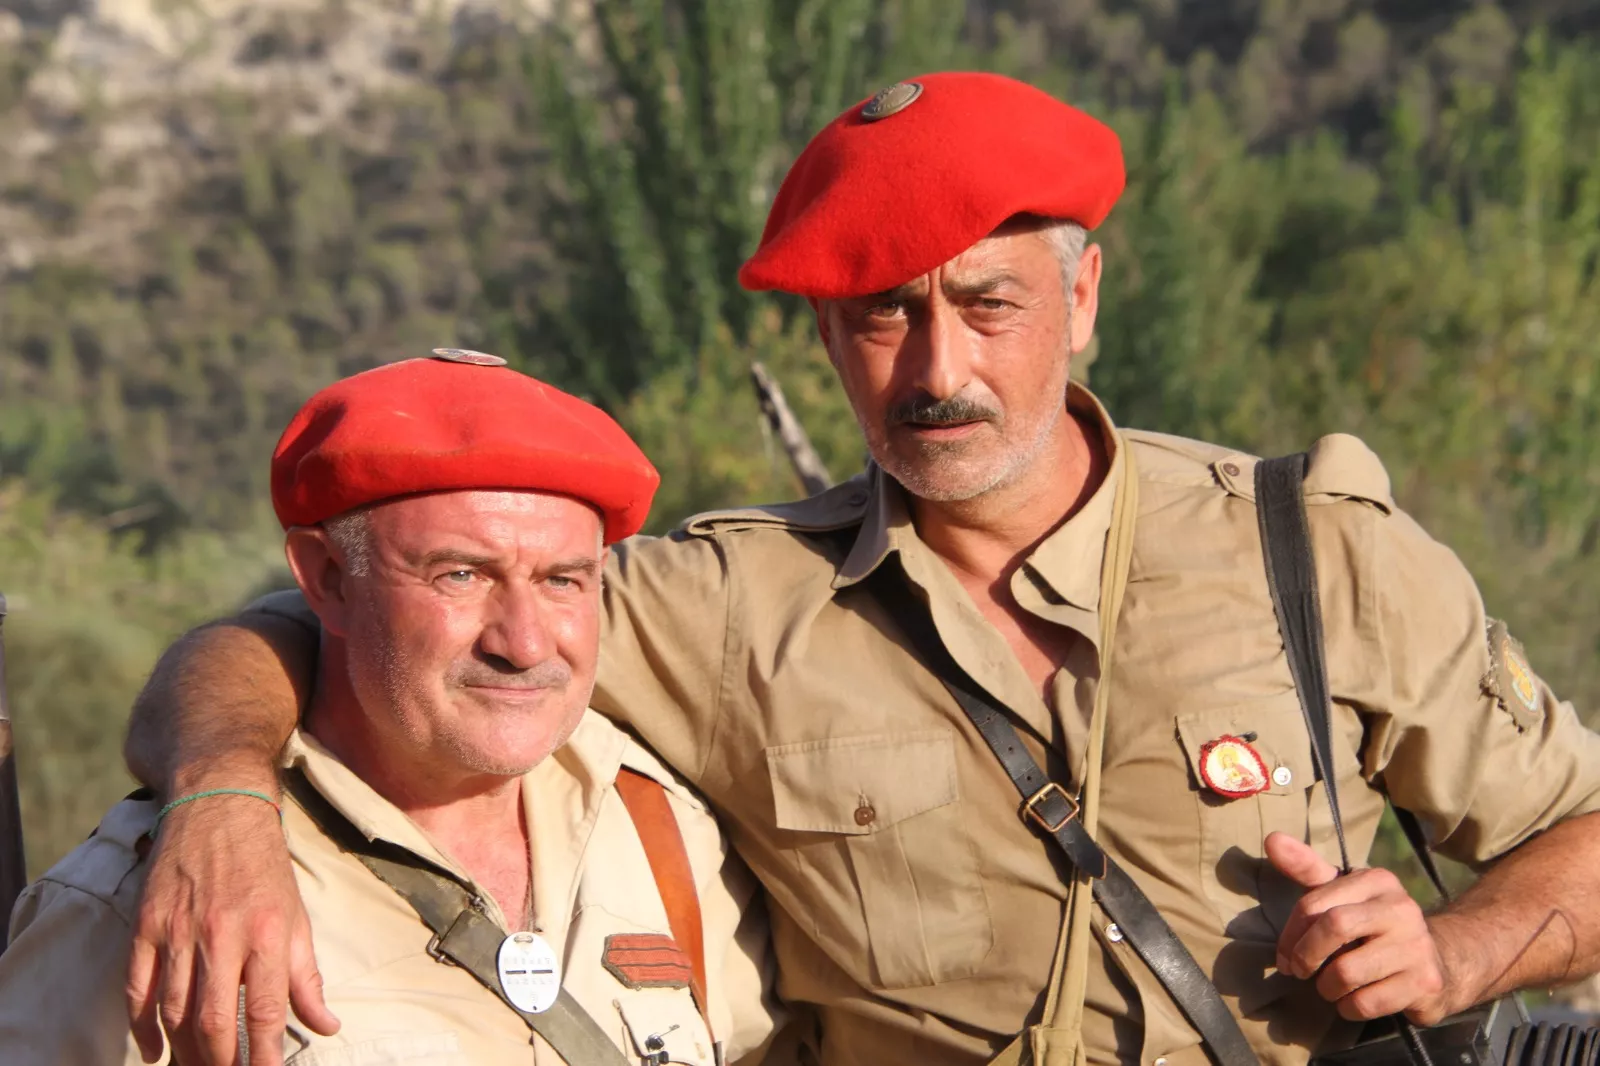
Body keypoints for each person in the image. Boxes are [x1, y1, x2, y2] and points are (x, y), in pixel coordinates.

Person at [115, 72, 1600, 1066]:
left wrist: (1455, 952)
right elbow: (314, 626)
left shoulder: (1312, 549)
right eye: (884, 314)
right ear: (827, 334)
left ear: (1084, 295)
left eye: (990, 303)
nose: (939, 368)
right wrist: (224, 794)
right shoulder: (727, 607)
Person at [0, 353, 788, 1066]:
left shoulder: (658, 827)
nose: (522, 642)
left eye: (562, 581)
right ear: (328, 579)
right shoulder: (153, 898)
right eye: (460, 575)